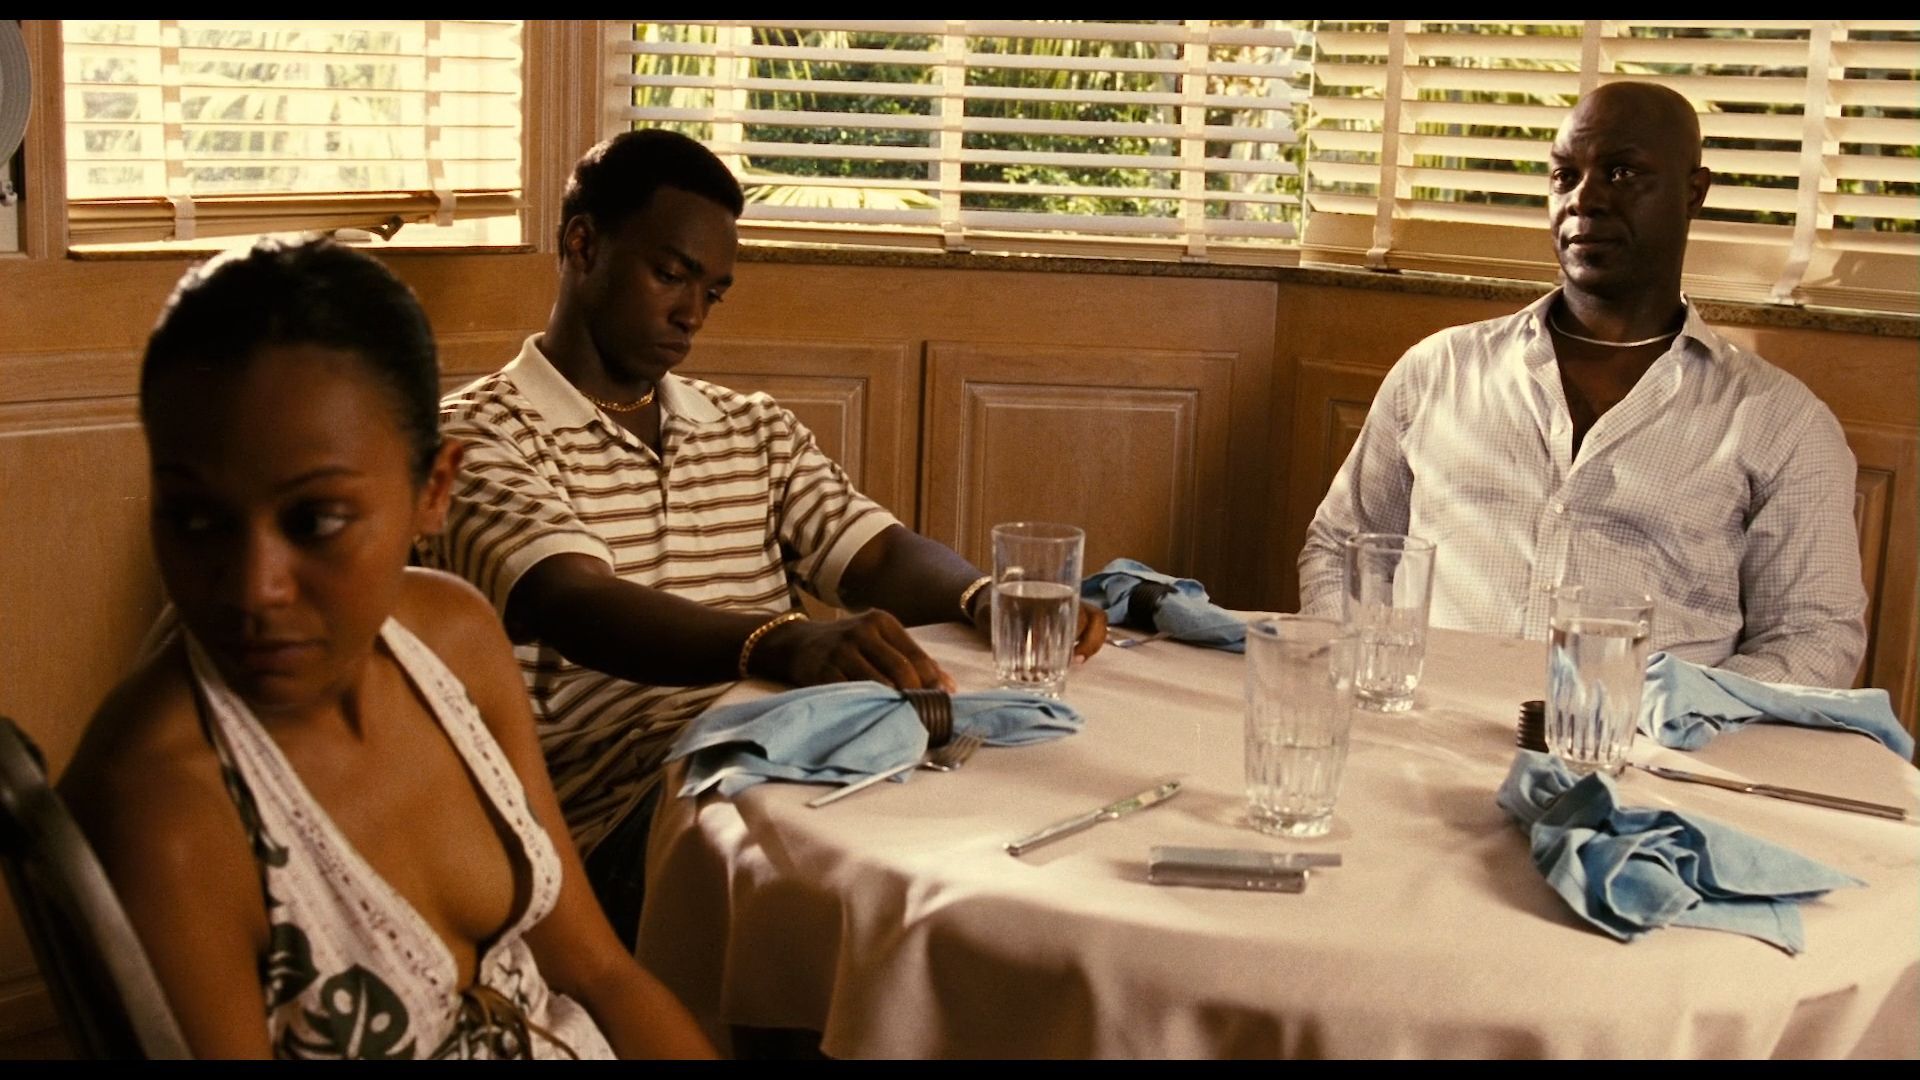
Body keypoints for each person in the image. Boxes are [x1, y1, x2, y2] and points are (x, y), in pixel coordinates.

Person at [416, 129, 1107, 944]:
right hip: (620, 820)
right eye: (670, 275)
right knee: (905, 915)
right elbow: (572, 600)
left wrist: (983, 596)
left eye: (713, 292)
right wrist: (779, 642)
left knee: (1022, 840)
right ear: (582, 245)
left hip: (799, 764)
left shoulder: (749, 426)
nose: (691, 314)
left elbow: (878, 553)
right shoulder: (478, 437)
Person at [57, 239, 716, 1060]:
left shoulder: (453, 642)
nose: (253, 588)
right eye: (196, 519)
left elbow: (598, 972)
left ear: (433, 491)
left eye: (315, 520)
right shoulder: (165, 811)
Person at [1297, 81, 1866, 688]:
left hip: (1649, 743)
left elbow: (1814, 635)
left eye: (1622, 173)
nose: (1584, 199)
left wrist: (1676, 715)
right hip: (1429, 721)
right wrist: (1374, 674)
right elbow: (1341, 549)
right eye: (1564, 176)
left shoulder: (1781, 420)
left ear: (1694, 192)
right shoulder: (1437, 371)